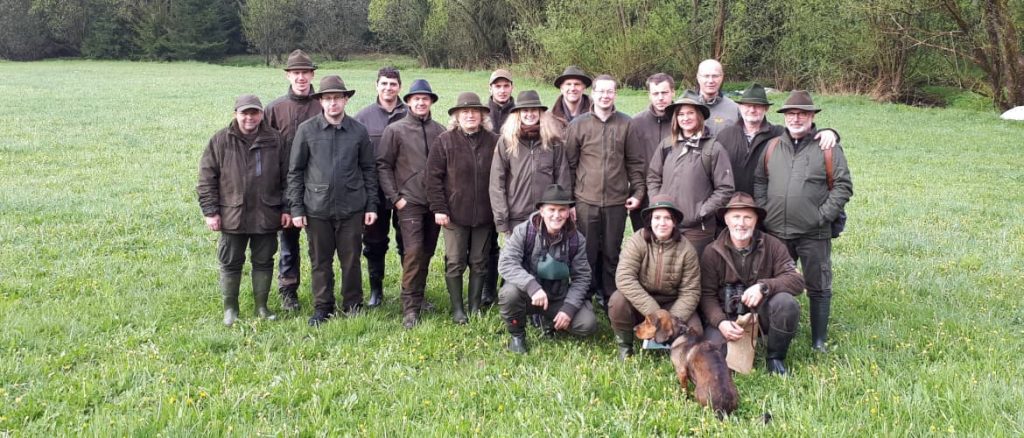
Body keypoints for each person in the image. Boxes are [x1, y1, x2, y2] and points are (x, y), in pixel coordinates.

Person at [754, 90, 853, 352]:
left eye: (802, 114)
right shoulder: (773, 146)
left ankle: (818, 339)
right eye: (791, 114)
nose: (796, 118)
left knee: (818, 285)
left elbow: (843, 186)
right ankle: (778, 329)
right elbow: (760, 181)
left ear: (811, 117)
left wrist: (821, 216)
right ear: (784, 117)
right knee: (777, 283)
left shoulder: (827, 148)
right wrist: (765, 210)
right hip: (776, 232)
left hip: (813, 234)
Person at [287, 75, 379, 326]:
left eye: (338, 98)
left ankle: (353, 304)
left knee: (351, 259)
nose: (333, 103)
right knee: (320, 260)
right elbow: (295, 171)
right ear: (321, 102)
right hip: (317, 208)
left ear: (346, 100)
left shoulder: (358, 131)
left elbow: (369, 169)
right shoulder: (307, 131)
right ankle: (322, 306)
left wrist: (371, 205)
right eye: (328, 99)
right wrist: (296, 207)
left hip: (351, 207)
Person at [198, 94, 289, 326]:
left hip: (266, 213)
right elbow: (206, 178)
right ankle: (231, 309)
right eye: (244, 113)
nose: (249, 117)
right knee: (230, 262)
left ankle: (262, 307)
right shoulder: (220, 141)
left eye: (254, 112)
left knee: (264, 261)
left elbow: (289, 178)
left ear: (261, 114)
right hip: (232, 214)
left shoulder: (276, 140)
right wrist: (210, 211)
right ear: (235, 114)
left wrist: (287, 208)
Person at [564, 74, 646, 311]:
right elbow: (569, 165)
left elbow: (635, 163)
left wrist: (638, 192)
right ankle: (584, 296)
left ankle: (610, 297)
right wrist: (570, 202)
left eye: (610, 92)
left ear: (615, 95)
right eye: (601, 91)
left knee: (612, 252)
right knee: (586, 252)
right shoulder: (578, 125)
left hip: (616, 202)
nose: (605, 96)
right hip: (585, 201)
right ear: (594, 94)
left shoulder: (626, 124)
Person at [700, 192, 805, 375]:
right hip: (729, 317)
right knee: (714, 357)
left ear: (756, 220)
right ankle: (736, 339)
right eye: (736, 217)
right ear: (726, 219)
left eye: (747, 217)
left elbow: (797, 280)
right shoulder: (712, 251)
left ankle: (775, 357)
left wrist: (764, 287)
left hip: (762, 314)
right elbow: (706, 295)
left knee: (786, 303)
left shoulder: (772, 245)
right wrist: (721, 322)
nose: (741, 223)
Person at [377, 79, 446, 329]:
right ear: (408, 101)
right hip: (410, 203)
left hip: (434, 203)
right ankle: (410, 308)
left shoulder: (440, 131)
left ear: (431, 102)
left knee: (426, 252)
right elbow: (383, 165)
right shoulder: (395, 130)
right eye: (416, 98)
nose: (420, 102)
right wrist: (396, 198)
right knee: (414, 252)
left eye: (425, 98)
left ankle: (420, 295)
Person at [426, 92, 499, 324]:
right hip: (454, 215)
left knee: (479, 260)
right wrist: (439, 207)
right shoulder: (444, 141)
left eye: (474, 111)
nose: (470, 115)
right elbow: (433, 178)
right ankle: (458, 309)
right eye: (465, 112)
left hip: (485, 215)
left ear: (482, 115)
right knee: (455, 261)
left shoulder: (494, 141)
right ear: (457, 116)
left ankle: (475, 305)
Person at [498, 184, 596, 353]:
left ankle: (551, 322)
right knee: (509, 294)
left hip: (557, 296)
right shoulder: (524, 231)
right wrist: (532, 286)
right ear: (541, 211)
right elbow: (506, 263)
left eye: (562, 210)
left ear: (569, 213)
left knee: (587, 324)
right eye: (551, 209)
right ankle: (517, 335)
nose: (556, 215)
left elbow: (582, 277)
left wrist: (569, 309)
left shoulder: (576, 239)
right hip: (528, 295)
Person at [609, 195, 702, 360]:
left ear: (674, 222)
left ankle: (674, 349)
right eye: (657, 218)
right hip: (642, 301)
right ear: (650, 221)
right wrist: (654, 313)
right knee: (617, 301)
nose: (662, 223)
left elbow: (691, 291)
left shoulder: (687, 249)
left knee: (696, 330)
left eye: (667, 218)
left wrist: (668, 321)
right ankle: (625, 346)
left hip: (672, 302)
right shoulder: (637, 241)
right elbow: (624, 277)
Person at [265, 49, 321, 312]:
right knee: (288, 244)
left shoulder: (323, 104)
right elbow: (264, 154)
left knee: (319, 244)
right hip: (285, 189)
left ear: (312, 75)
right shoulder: (274, 110)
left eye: (305, 73)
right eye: (296, 73)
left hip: (318, 188)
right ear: (288, 75)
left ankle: (322, 290)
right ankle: (288, 291)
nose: (301, 77)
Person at [647, 92, 735, 256]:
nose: (685, 118)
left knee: (694, 274)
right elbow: (653, 177)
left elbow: (725, 188)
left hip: (698, 230)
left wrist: (701, 212)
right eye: (680, 114)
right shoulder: (666, 145)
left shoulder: (713, 148)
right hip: (667, 226)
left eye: (690, 113)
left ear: (699, 116)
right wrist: (658, 203)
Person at [715, 83, 839, 195]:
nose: (752, 110)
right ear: (740, 107)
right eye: (747, 105)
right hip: (731, 207)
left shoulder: (779, 134)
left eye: (757, 106)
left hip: (767, 205)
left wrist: (829, 132)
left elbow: (804, 135)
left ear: (766, 109)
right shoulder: (725, 135)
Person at [354, 66, 407, 308]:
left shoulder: (411, 114)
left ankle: (412, 290)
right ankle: (376, 290)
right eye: (384, 83)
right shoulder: (363, 118)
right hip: (374, 192)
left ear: (400, 87)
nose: (388, 88)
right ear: (376, 86)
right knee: (374, 243)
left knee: (409, 243)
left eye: (393, 84)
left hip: (406, 191)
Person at [490, 90, 571, 235]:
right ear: (518, 114)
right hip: (516, 217)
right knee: (517, 257)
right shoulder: (507, 141)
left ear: (540, 113)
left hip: (548, 217)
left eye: (534, 110)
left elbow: (562, 177)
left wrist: (561, 211)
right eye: (525, 110)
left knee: (545, 257)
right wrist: (502, 218)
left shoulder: (553, 141)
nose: (530, 114)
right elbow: (497, 182)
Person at [482, 68, 515, 307]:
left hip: (513, 187)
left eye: (506, 86)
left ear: (511, 88)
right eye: (497, 86)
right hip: (484, 185)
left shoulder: (520, 112)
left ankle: (509, 284)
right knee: (487, 241)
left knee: (512, 240)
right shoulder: (483, 114)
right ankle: (487, 287)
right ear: (490, 88)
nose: (502, 90)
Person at [626, 72, 676, 231]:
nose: (660, 98)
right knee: (644, 241)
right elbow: (630, 160)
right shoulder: (636, 122)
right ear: (649, 95)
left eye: (664, 93)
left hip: (675, 193)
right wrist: (638, 191)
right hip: (644, 193)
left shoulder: (683, 120)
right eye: (656, 93)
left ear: (673, 93)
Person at [692, 59, 740, 136]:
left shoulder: (735, 109)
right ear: (698, 77)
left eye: (715, 76)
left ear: (722, 77)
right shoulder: (684, 107)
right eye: (706, 76)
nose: (711, 80)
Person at [550, 65, 593, 132]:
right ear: (561, 88)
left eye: (577, 84)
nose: (572, 88)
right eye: (568, 84)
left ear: (584, 88)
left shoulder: (596, 114)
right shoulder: (550, 118)